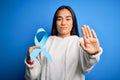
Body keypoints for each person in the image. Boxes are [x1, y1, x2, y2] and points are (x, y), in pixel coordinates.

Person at [25, 5, 103, 80]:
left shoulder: (81, 43)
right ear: (55, 23)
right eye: (59, 19)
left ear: (73, 23)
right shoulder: (43, 44)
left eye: (68, 19)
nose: (63, 23)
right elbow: (31, 77)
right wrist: (30, 60)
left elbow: (86, 68)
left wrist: (92, 54)